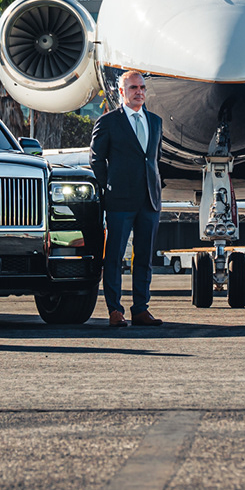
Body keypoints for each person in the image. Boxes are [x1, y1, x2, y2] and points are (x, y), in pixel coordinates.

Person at [90, 70, 164, 327]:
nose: (139, 92)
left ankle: (141, 309)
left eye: (142, 87)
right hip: (119, 200)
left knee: (144, 258)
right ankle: (115, 310)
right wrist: (106, 188)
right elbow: (96, 159)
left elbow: (155, 159)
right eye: (133, 88)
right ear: (121, 92)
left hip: (149, 200)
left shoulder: (155, 122)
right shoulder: (108, 122)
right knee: (114, 257)